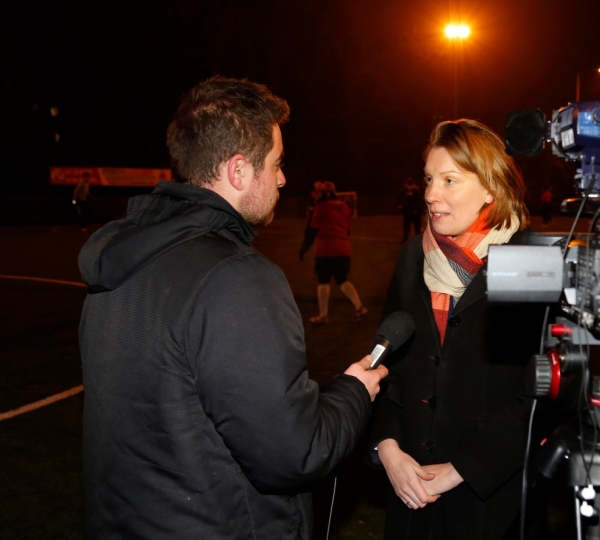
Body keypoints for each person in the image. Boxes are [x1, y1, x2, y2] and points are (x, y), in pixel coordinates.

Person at [77, 77, 387, 539]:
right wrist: (353, 392)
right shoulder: (235, 277)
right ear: (239, 171)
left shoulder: (122, 259)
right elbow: (294, 453)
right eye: (276, 164)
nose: (282, 178)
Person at [368, 119, 552, 539]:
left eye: (450, 180)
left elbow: (544, 394)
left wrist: (463, 470)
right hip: (411, 492)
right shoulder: (413, 256)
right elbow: (388, 365)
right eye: (430, 179)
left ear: (490, 186)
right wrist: (388, 448)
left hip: (495, 502)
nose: (431, 195)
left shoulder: (532, 262)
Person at [299, 181, 368, 323]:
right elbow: (348, 231)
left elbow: (311, 231)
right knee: (342, 280)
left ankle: (323, 316)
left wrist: (303, 249)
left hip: (325, 251)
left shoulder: (320, 207)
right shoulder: (344, 207)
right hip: (343, 251)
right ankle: (359, 307)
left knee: (323, 282)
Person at [400, 176, 425, 241]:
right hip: (408, 212)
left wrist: (418, 211)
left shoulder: (416, 191)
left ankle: (418, 239)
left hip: (415, 212)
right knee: (406, 226)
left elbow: (418, 202)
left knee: (417, 227)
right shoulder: (405, 191)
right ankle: (405, 238)